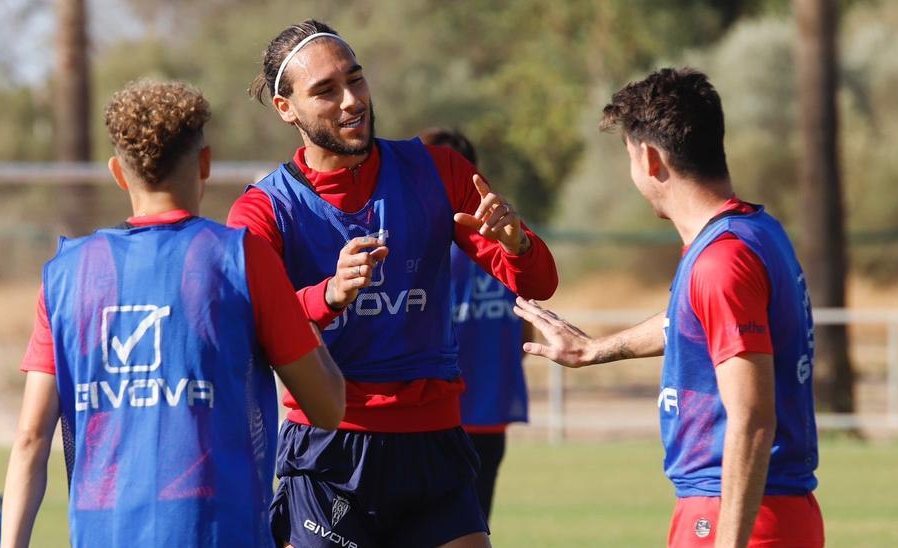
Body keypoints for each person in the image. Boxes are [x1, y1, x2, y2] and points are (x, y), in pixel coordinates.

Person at [229, 20, 558, 548]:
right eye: (326, 91)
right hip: (328, 451)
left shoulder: (440, 171)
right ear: (285, 108)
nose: (351, 100)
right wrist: (327, 294)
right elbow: (243, 325)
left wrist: (517, 244)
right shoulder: (264, 209)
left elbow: (539, 282)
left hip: (434, 444)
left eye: (355, 79)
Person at [0, 79, 346, 548]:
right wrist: (302, 313)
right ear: (205, 163)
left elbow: (30, 439)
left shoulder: (65, 274)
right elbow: (327, 407)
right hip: (220, 534)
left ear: (118, 174)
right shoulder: (243, 258)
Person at [513, 68, 824, 548]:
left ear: (651, 158)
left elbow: (753, 417)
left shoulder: (722, 260)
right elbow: (691, 320)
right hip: (761, 509)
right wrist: (595, 350)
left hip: (738, 513)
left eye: (628, 157)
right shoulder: (755, 232)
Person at [420, 128, 530, 522]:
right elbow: (526, 333)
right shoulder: (505, 241)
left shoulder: (426, 246)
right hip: (490, 412)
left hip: (437, 419)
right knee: (472, 527)